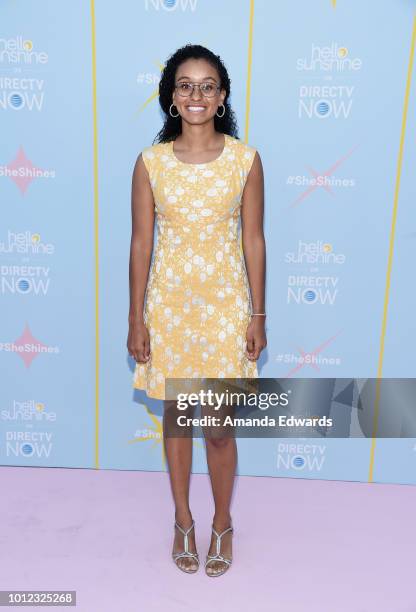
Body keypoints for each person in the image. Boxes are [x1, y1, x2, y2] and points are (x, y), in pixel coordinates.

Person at [127, 43, 266, 577]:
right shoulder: (151, 163)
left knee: (220, 428)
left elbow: (254, 240)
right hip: (170, 309)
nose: (196, 95)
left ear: (222, 96)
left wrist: (258, 316)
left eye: (207, 85)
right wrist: (136, 318)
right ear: (171, 98)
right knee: (179, 421)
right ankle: (183, 519)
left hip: (228, 310)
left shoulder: (247, 160)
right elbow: (141, 245)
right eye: (185, 85)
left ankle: (223, 522)